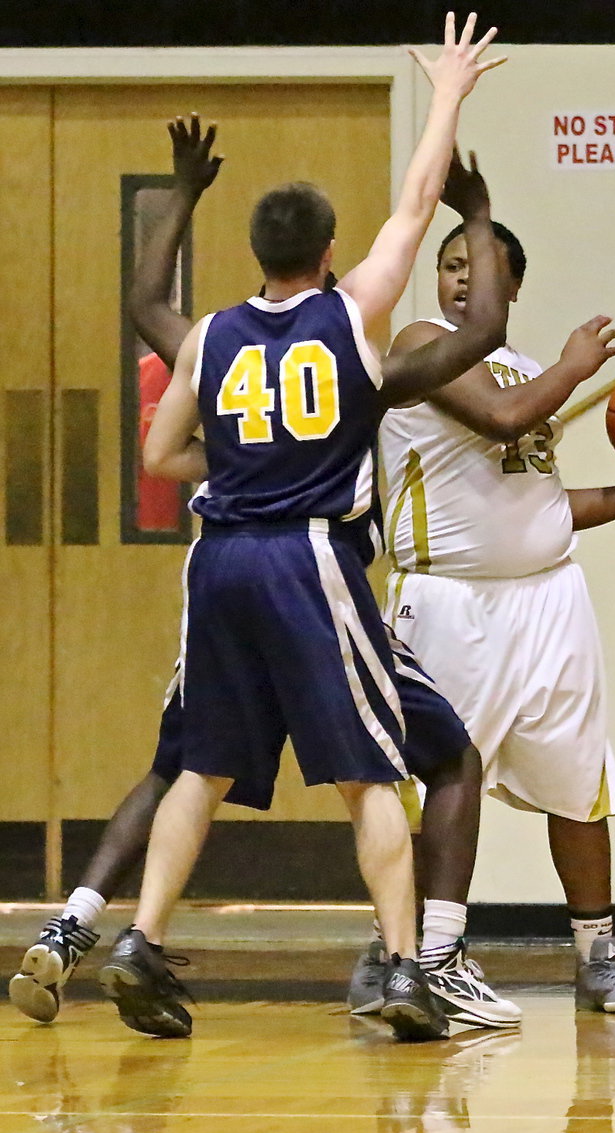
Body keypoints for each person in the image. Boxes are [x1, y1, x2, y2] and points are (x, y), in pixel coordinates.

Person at [95, 16, 503, 1044]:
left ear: (255, 253)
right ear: (327, 254)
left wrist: (236, 468)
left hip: (218, 556)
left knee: (203, 765)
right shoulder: (353, 311)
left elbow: (160, 457)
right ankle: (406, 967)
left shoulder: (210, 338)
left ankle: (140, 938)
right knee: (370, 765)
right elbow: (416, 204)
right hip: (308, 557)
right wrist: (448, 90)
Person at [349, 218, 615, 1016]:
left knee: (578, 781)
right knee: (434, 784)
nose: (462, 281)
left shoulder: (517, 370)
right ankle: (402, 956)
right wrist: (576, 368)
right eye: (449, 266)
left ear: (512, 288)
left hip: (549, 597)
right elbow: (504, 419)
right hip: (447, 600)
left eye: (478, 268)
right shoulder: (422, 341)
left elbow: (543, 506)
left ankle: (597, 956)